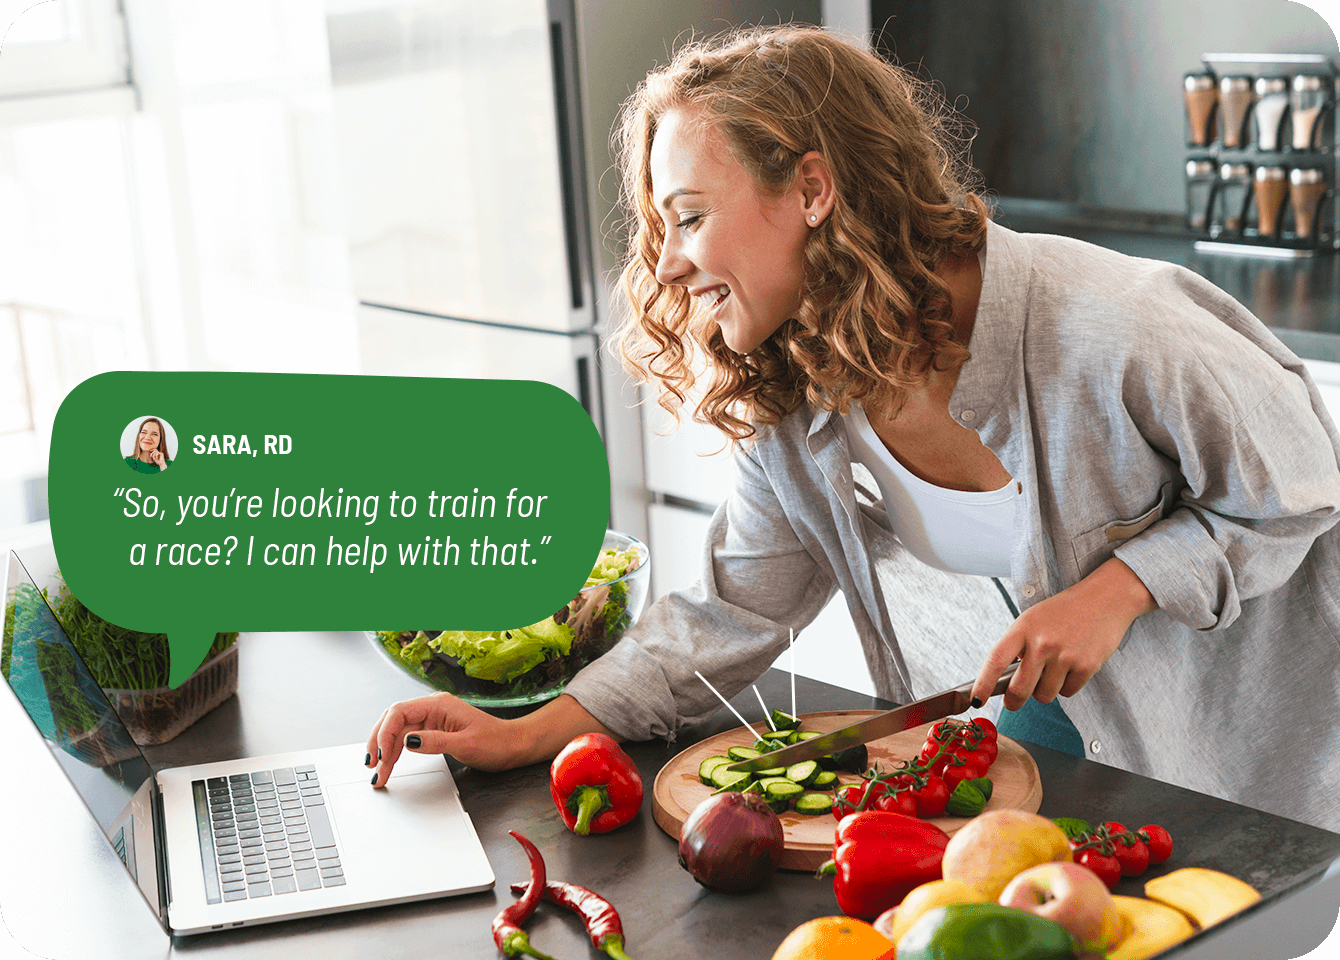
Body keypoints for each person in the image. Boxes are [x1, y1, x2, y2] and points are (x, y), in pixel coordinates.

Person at [366, 25, 1340, 830]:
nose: (664, 268)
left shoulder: (1118, 325)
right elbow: (728, 614)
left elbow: (1299, 487)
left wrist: (1119, 590)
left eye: (690, 216)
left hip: (1250, 775)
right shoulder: (797, 394)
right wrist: (529, 728)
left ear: (813, 190)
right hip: (1024, 770)